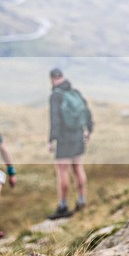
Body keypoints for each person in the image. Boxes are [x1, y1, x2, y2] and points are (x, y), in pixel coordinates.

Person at [47, 68, 93, 219]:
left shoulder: (56, 96)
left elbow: (55, 119)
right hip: (78, 135)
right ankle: (81, 200)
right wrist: (89, 129)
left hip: (63, 138)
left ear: (52, 79)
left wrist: (51, 139)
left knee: (62, 171)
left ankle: (63, 205)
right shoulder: (75, 92)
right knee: (78, 168)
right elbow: (86, 111)